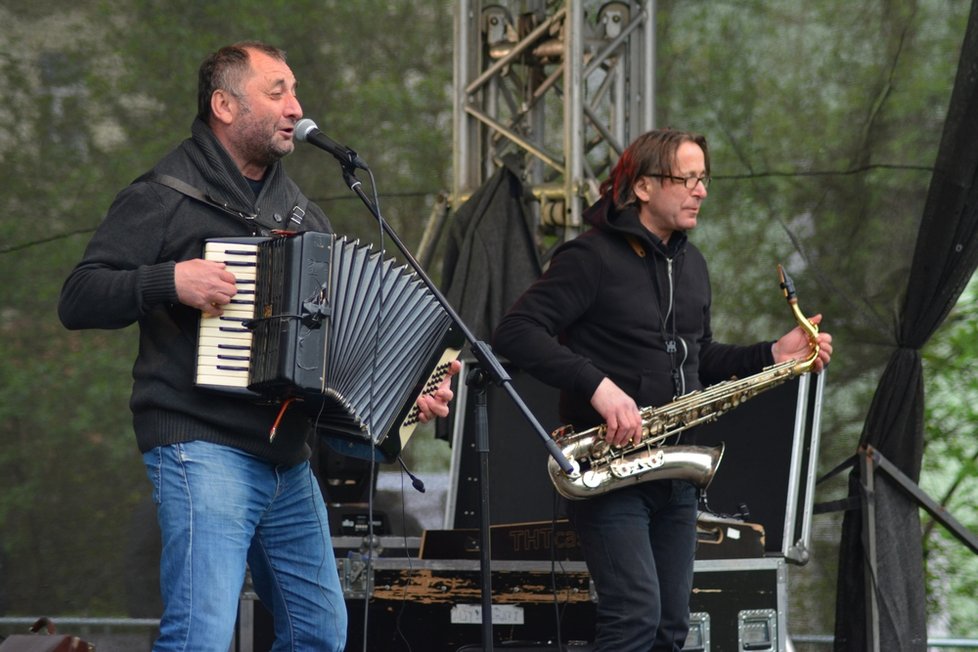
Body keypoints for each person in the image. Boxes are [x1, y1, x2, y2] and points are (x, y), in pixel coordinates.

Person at [58, 41, 459, 652]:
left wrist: (406, 399)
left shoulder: (304, 217)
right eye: (277, 92)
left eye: (295, 92)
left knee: (318, 633)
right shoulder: (164, 195)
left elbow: (328, 364)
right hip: (200, 444)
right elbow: (79, 296)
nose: (295, 107)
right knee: (202, 636)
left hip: (285, 459)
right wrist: (171, 279)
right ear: (224, 104)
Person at [492, 128, 833, 651]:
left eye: (703, 178)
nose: (701, 190)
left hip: (675, 475)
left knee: (670, 628)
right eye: (687, 178)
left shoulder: (692, 265)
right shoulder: (590, 258)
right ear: (644, 186)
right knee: (633, 619)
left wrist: (772, 355)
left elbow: (699, 358)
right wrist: (599, 387)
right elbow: (514, 332)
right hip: (611, 472)